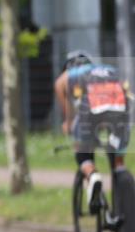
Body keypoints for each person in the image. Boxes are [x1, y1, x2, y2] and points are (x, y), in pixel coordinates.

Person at [54, 50, 131, 207]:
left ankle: (92, 174)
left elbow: (59, 84)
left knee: (82, 151)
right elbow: (125, 90)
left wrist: (68, 121)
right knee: (117, 155)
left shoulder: (73, 72)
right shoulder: (107, 70)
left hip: (91, 110)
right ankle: (121, 172)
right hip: (119, 107)